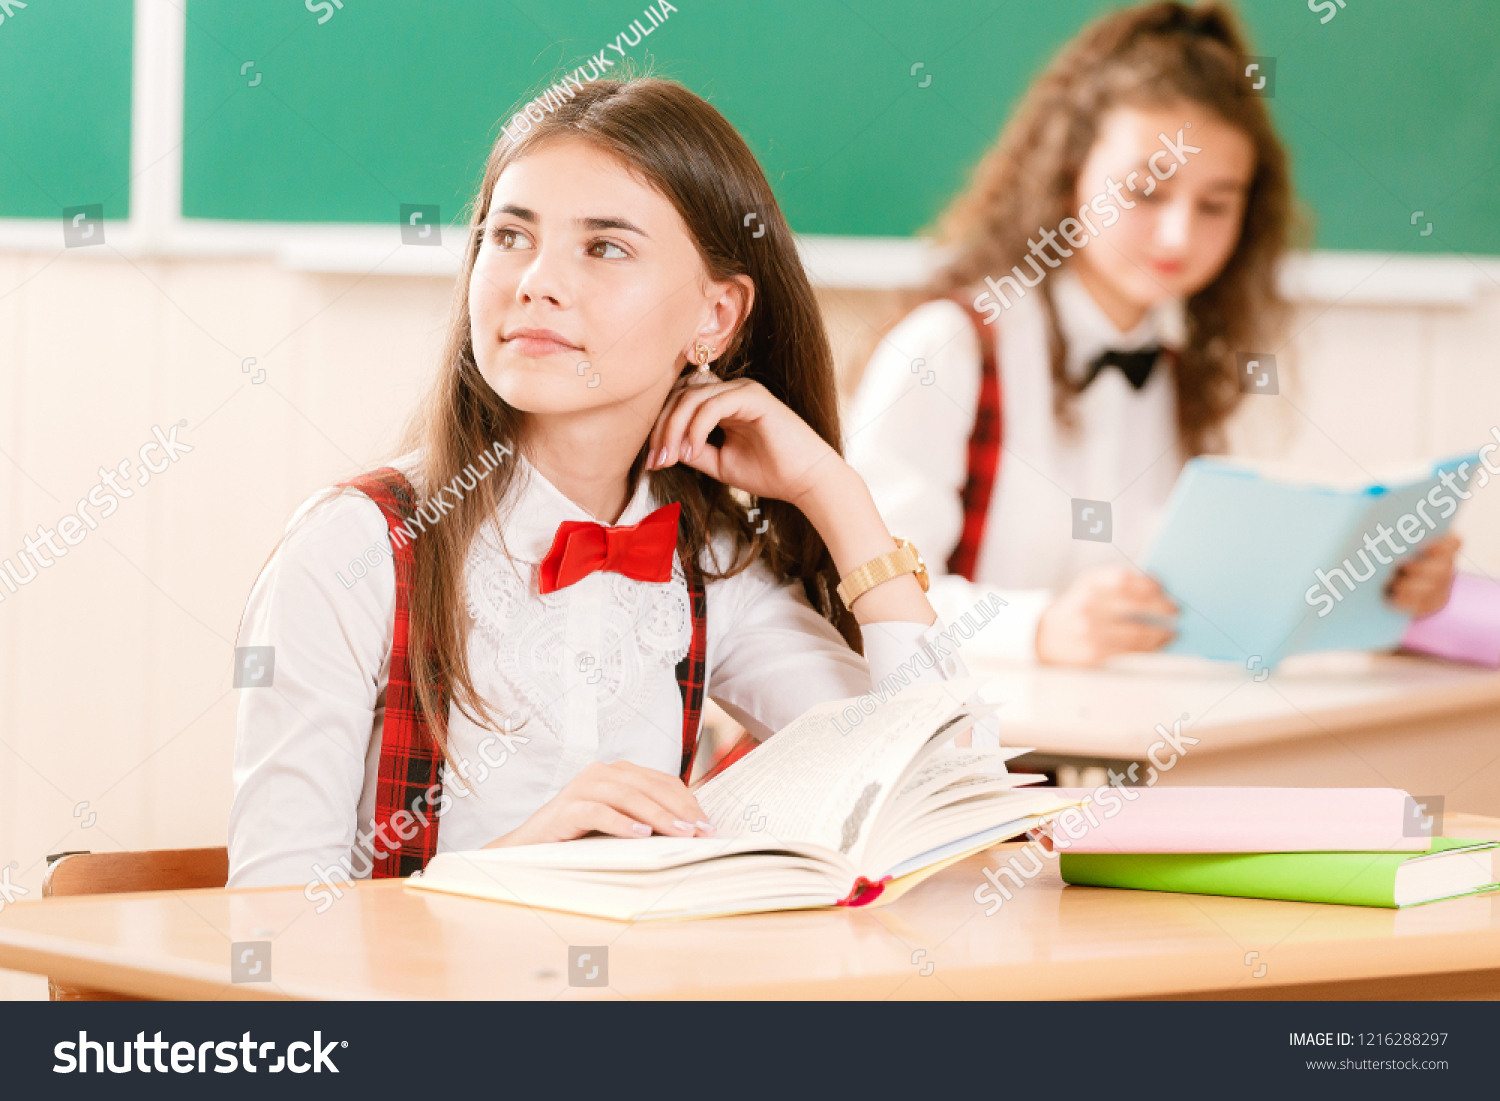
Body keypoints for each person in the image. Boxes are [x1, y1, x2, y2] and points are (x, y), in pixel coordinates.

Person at [227, 76, 992, 892]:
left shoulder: (709, 566)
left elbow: (941, 791)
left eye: (605, 246)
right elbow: (275, 927)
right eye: (510, 235)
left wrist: (834, 493)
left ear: (716, 316)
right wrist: (516, 866)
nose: (535, 282)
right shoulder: (357, 551)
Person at [845, 0, 1457, 667]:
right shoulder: (948, 346)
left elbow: (1192, 612)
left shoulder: (1181, 373)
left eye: (1216, 204)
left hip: (1078, 754)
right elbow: (863, 601)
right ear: (1068, 171)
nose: (1179, 235)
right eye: (1145, 192)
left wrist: (1382, 589)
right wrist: (1039, 629)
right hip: (933, 759)